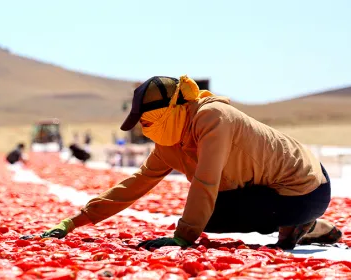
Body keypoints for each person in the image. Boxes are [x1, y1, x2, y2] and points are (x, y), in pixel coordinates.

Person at [36, 76, 342, 250]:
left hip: (306, 186)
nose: (146, 128)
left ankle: (297, 221)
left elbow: (206, 181)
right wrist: (75, 221)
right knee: (210, 215)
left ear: (175, 109)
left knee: (207, 214)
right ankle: (309, 224)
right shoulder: (170, 144)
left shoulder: (213, 117)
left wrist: (183, 237)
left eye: (148, 120)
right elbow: (135, 184)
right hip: (279, 194)